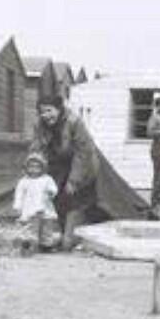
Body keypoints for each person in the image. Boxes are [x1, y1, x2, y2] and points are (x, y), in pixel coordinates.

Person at [29, 94, 100, 250]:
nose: (45, 115)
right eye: (42, 112)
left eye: (49, 111)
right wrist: (34, 171)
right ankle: (60, 235)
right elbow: (37, 148)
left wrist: (74, 180)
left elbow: (83, 153)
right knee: (56, 198)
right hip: (58, 164)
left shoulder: (74, 122)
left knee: (75, 200)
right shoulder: (40, 124)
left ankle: (71, 237)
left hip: (82, 165)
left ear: (59, 109)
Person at [13, 151, 58, 254]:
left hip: (45, 207)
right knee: (30, 227)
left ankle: (46, 244)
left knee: (47, 227)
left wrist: (52, 192)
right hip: (30, 208)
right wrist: (18, 206)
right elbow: (19, 195)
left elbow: (53, 188)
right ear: (26, 168)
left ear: (43, 168)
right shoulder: (24, 181)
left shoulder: (47, 179)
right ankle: (28, 244)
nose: (34, 170)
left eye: (37, 167)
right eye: (31, 167)